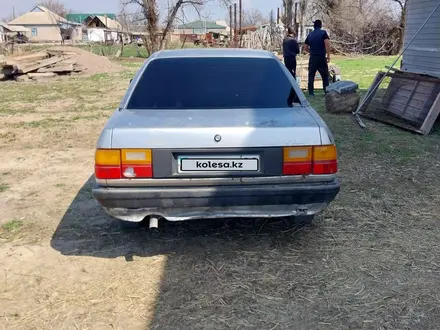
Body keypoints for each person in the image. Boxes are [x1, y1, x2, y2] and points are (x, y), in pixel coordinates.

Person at [303, 20, 331, 96]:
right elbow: (327, 44)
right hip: (321, 57)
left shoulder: (310, 35)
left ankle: (311, 92)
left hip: (313, 57)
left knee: (311, 75)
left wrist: (311, 51)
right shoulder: (323, 33)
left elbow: (305, 48)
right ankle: (326, 91)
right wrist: (328, 55)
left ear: (314, 26)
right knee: (325, 75)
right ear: (320, 25)